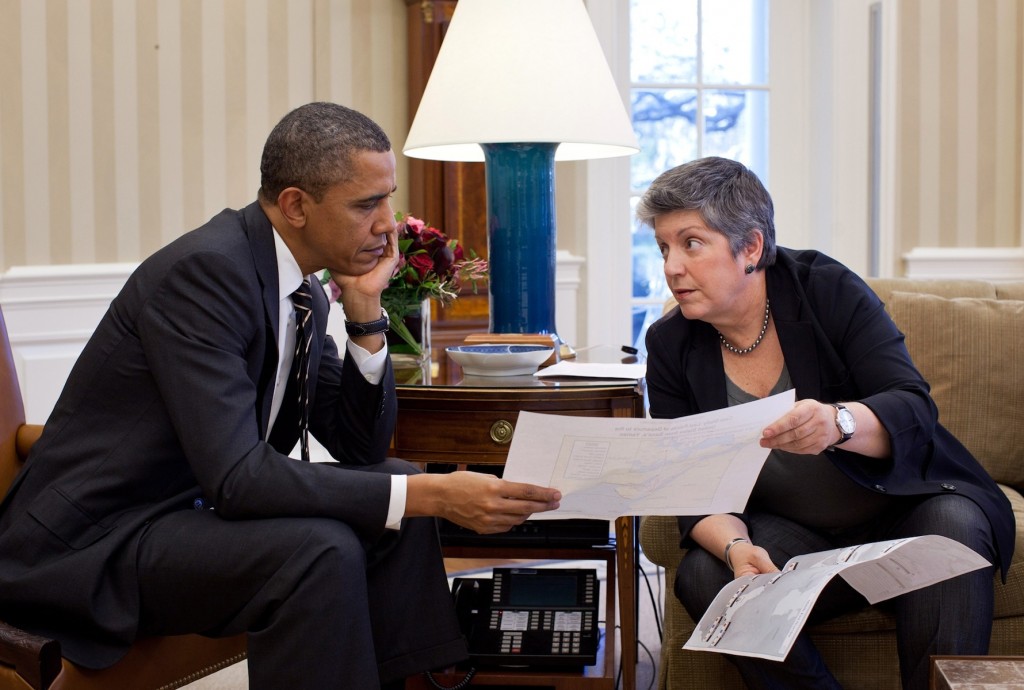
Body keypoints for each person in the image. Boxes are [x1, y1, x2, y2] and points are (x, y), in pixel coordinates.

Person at [0, 102, 561, 690]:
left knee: (398, 508)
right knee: (320, 549)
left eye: (388, 198)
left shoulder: (301, 289)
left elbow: (360, 447)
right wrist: (431, 493)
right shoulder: (205, 275)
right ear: (296, 205)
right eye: (366, 204)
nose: (388, 223)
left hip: (182, 516)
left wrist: (366, 314)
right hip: (93, 544)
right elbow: (238, 478)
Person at [637, 156, 1013, 690]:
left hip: (903, 509)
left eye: (691, 243)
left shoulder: (826, 289)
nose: (672, 266)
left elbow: (912, 407)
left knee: (954, 525)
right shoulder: (670, 343)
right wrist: (736, 549)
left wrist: (838, 422)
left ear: (750, 247)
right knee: (706, 572)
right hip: (794, 533)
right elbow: (692, 487)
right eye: (664, 248)